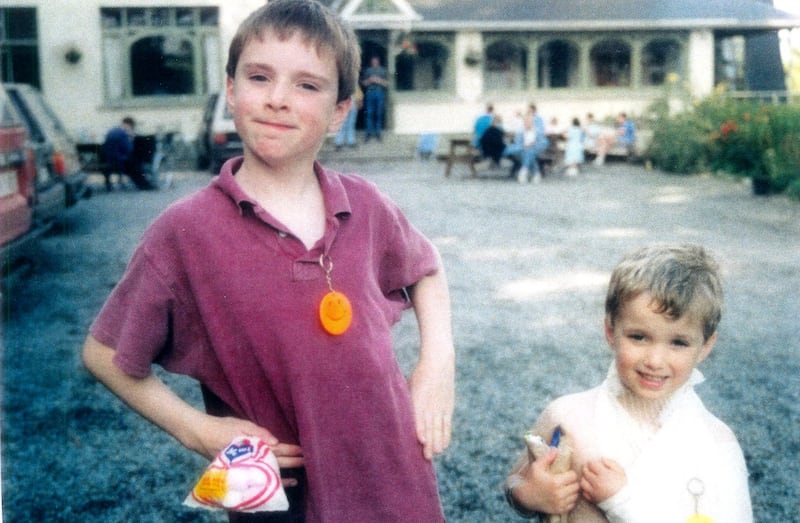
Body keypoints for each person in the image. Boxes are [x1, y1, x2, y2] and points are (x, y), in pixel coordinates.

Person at [81, 1, 455, 522]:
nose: (278, 99)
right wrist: (198, 429)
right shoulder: (184, 233)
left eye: (307, 85)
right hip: (282, 499)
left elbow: (427, 269)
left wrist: (437, 363)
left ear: (340, 111)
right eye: (260, 77)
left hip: (395, 478)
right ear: (231, 90)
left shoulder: (366, 206)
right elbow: (103, 354)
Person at [504, 243, 752, 522]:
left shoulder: (716, 443)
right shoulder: (568, 417)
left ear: (705, 345)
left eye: (678, 342)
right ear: (611, 331)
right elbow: (515, 479)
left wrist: (621, 502)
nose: (655, 360)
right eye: (638, 337)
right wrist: (528, 495)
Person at [100, 116, 136, 191]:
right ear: (129, 125)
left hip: (107, 159)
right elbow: (129, 148)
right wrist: (131, 138)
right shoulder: (123, 134)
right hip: (119, 160)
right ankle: (121, 181)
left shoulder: (111, 131)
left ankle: (109, 183)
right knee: (133, 162)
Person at [361, 56, 388, 142]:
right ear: (371, 62)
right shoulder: (368, 71)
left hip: (379, 92)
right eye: (373, 61)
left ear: (378, 61)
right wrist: (370, 80)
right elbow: (364, 83)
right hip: (370, 93)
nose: (374, 62)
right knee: (369, 113)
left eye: (376, 61)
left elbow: (387, 84)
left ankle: (378, 133)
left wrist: (378, 80)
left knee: (378, 113)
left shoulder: (383, 70)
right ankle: (368, 133)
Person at [333, 85, 362, 150]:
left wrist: (359, 102)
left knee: (351, 124)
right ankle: (338, 142)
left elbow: (359, 95)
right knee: (341, 125)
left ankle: (351, 141)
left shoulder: (354, 84)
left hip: (353, 107)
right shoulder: (341, 84)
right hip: (342, 108)